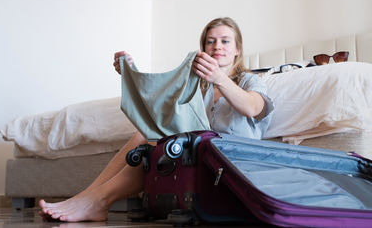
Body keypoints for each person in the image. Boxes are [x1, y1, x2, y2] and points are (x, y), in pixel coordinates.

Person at [39, 17, 274, 222]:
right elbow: (162, 112)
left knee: (157, 143)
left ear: (238, 50)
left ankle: (97, 200)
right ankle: (88, 196)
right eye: (210, 41)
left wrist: (221, 79)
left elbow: (253, 107)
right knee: (146, 135)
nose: (216, 47)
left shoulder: (251, 81)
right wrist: (132, 75)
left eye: (225, 41)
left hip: (229, 161)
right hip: (197, 156)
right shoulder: (197, 86)